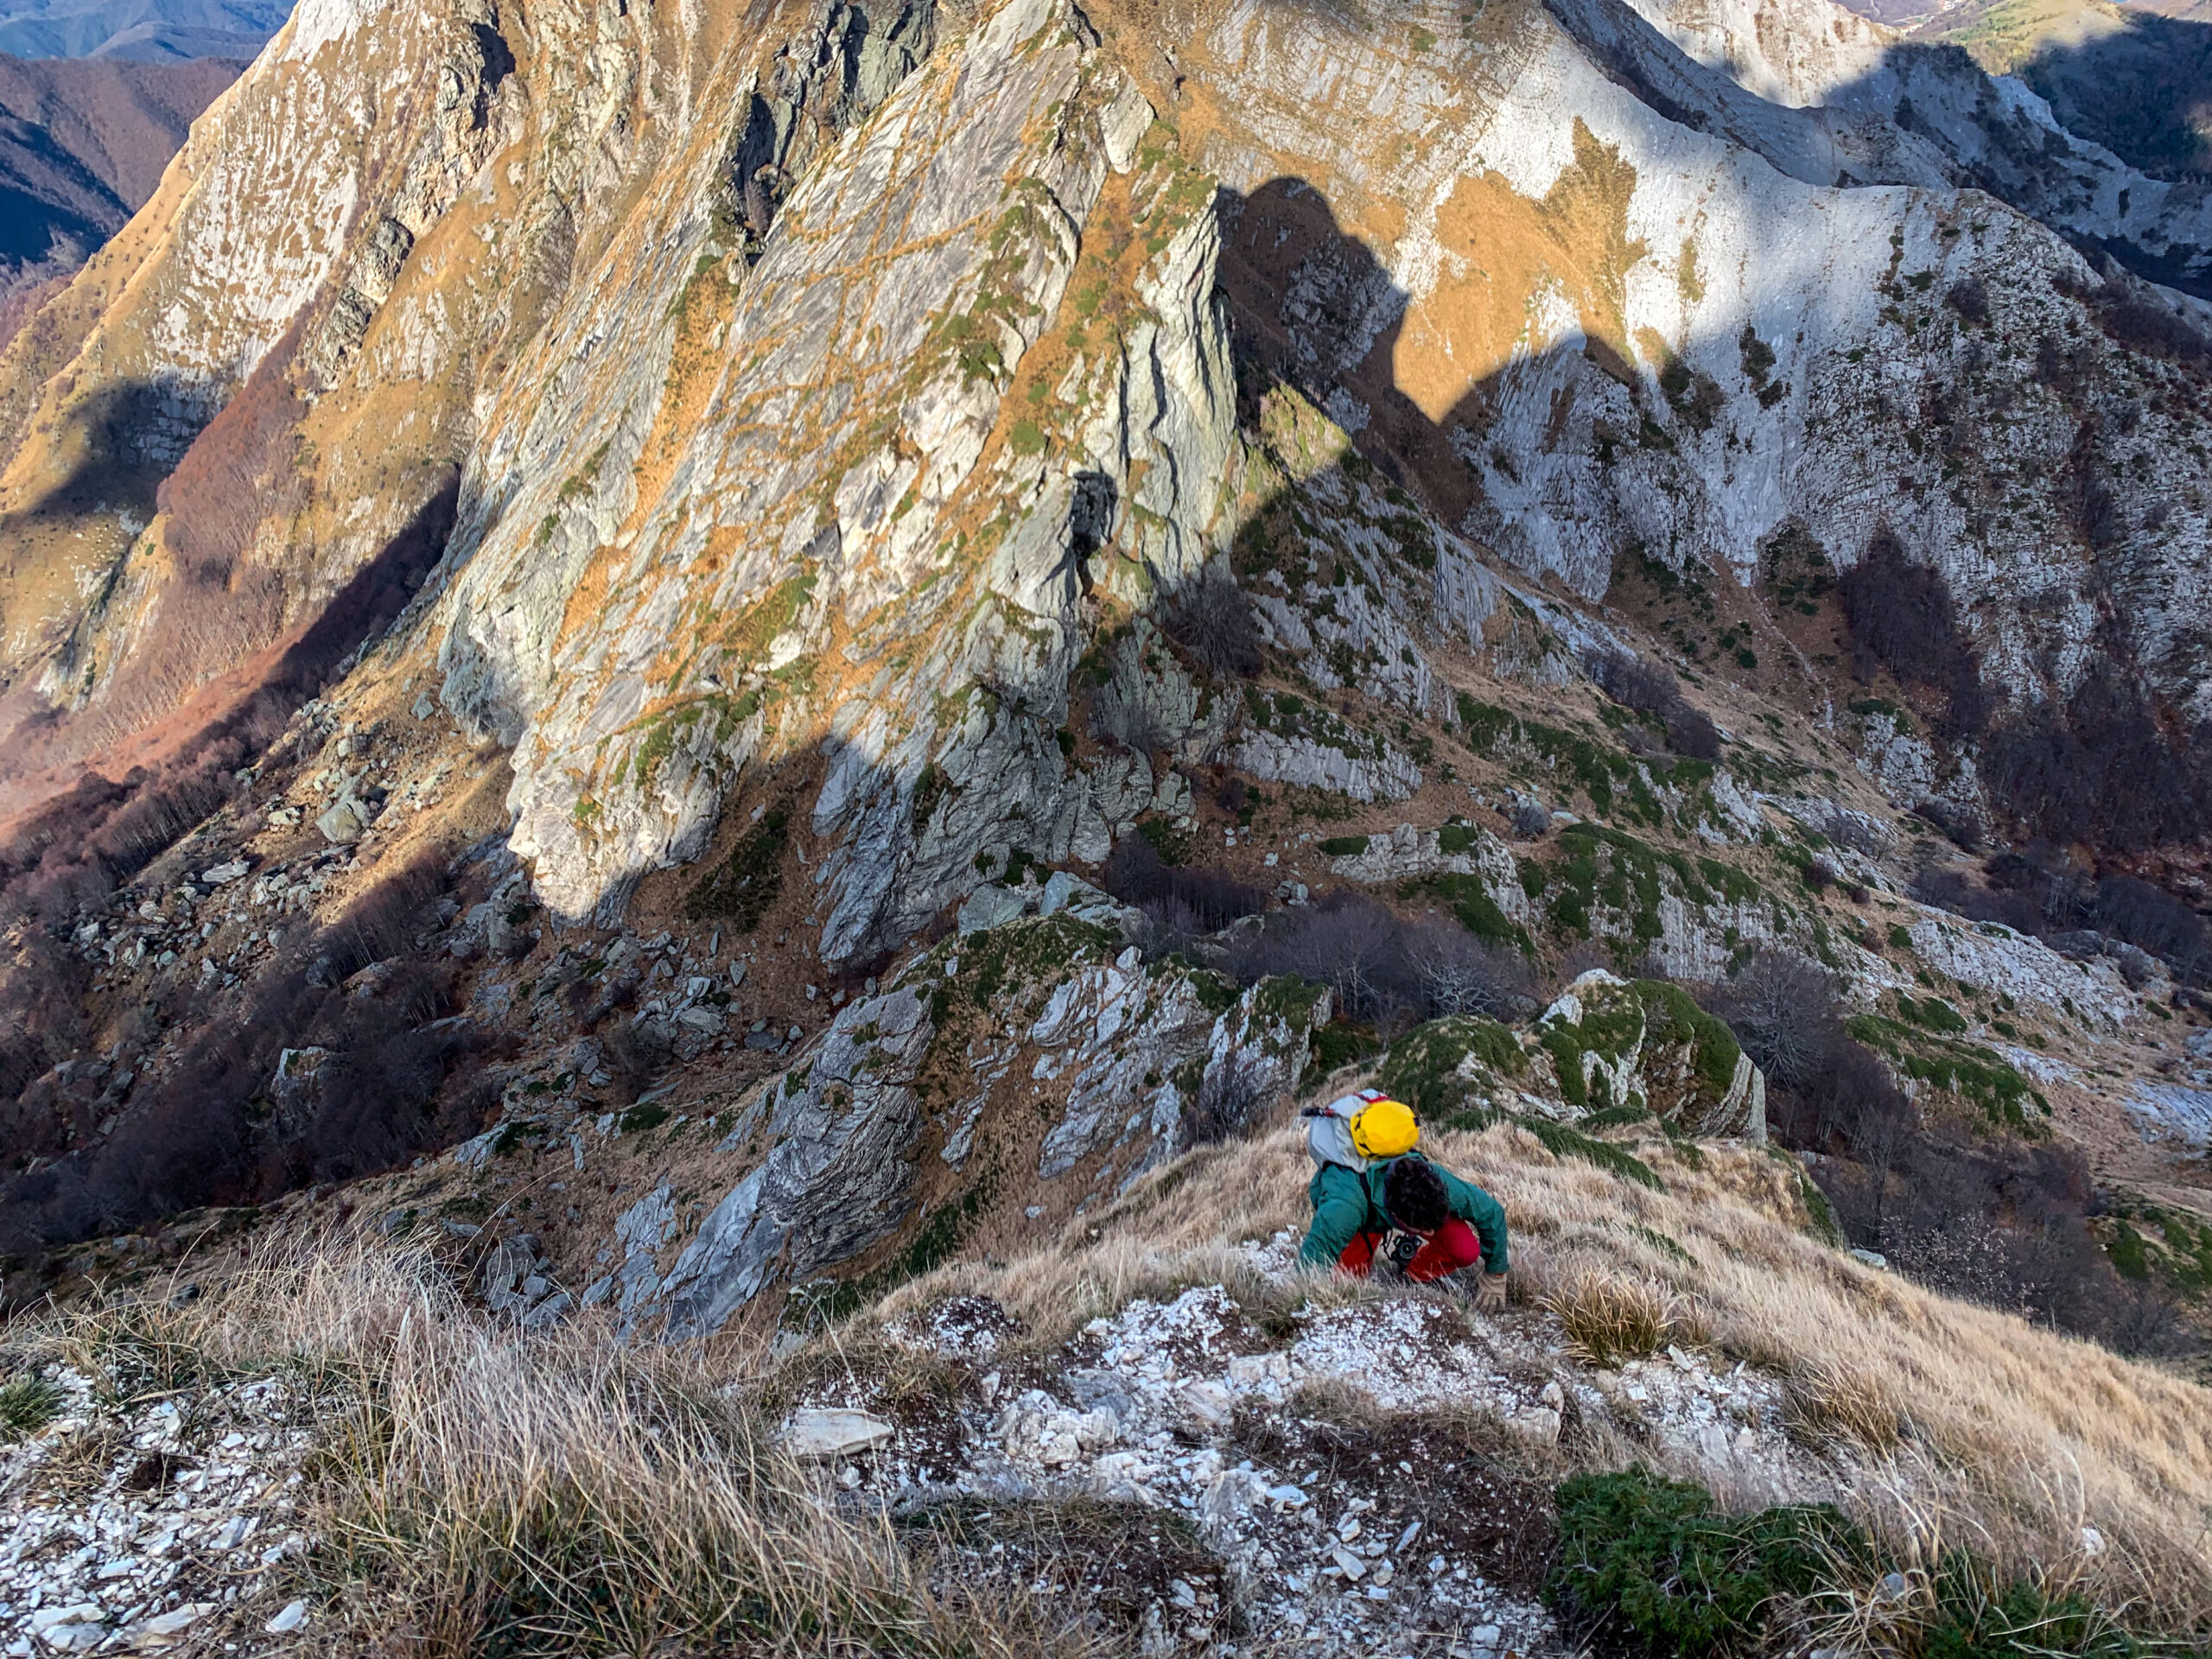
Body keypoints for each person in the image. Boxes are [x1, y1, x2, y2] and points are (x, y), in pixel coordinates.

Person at [1298, 1090, 1510, 1311]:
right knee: (1346, 1281)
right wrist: (1306, 1312)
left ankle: (1415, 1272)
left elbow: (1491, 1212)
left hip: (1390, 1200)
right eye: (1423, 1230)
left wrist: (1496, 1273)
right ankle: (1365, 1250)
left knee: (1463, 1249)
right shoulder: (1345, 1208)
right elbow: (1310, 1266)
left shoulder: (1436, 1181)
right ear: (1398, 1218)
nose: (1429, 1235)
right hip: (1361, 1204)